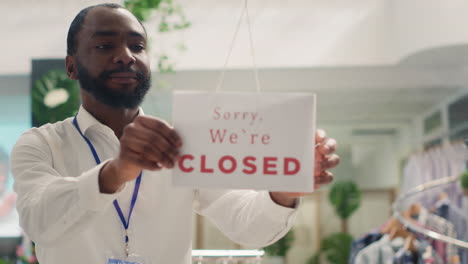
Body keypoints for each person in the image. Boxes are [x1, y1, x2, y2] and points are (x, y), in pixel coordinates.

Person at [11, 3, 339, 264]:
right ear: (71, 66)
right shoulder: (41, 144)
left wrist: (282, 191)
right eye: (104, 44)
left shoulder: (183, 143)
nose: (126, 55)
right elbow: (39, 218)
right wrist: (116, 171)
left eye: (137, 46)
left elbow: (246, 223)